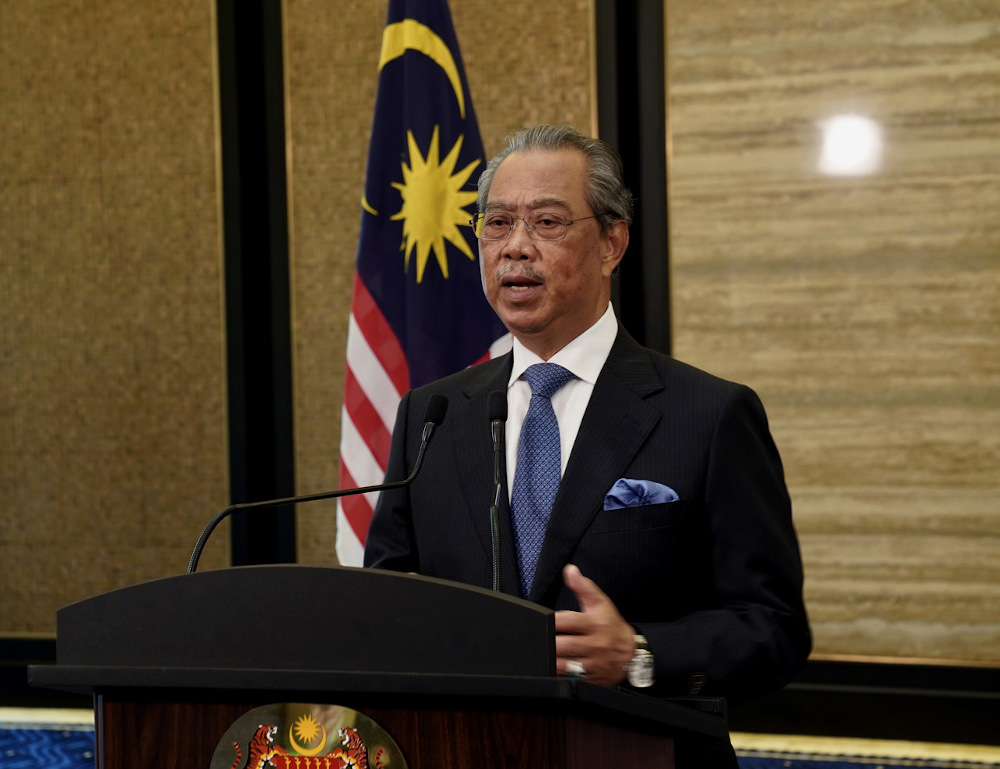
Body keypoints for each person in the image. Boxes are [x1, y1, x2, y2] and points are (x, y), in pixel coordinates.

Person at [364, 124, 811, 766]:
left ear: (611, 243)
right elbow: (386, 602)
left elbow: (774, 630)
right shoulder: (432, 413)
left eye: (546, 222)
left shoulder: (708, 414)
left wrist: (640, 655)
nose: (515, 248)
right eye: (496, 224)